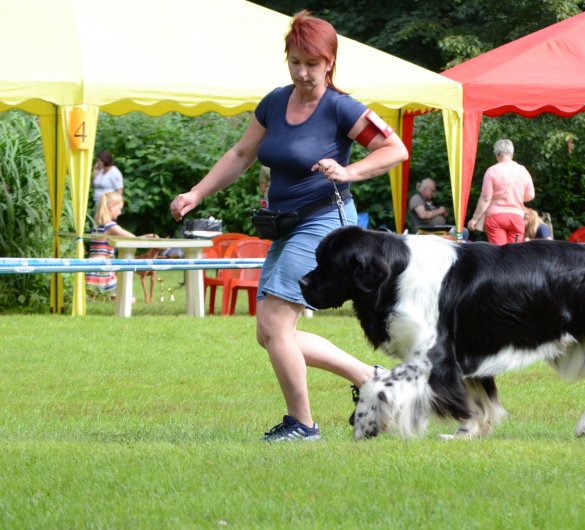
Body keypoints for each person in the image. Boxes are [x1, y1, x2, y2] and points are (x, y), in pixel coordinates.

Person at [169, 10, 407, 442]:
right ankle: (372, 379)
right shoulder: (275, 102)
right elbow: (241, 154)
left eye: (311, 64)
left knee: (276, 325)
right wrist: (197, 193)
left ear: (329, 62)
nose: (302, 73)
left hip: (323, 227)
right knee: (271, 332)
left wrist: (349, 172)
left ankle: (303, 424)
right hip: (285, 227)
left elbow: (395, 149)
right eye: (295, 62)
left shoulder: (341, 107)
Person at [85, 191, 156, 296]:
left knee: (96, 297)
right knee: (129, 298)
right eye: (119, 209)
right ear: (111, 207)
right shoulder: (110, 226)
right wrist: (146, 238)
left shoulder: (98, 224)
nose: (120, 212)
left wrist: (143, 237)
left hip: (92, 265)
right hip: (103, 267)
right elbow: (131, 238)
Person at [467, 139, 535, 244]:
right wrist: (516, 197)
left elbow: (486, 198)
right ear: (512, 153)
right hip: (516, 221)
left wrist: (475, 219)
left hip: (496, 221)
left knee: (499, 252)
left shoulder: (492, 171)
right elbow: (531, 195)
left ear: (497, 154)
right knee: (515, 250)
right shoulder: (523, 171)